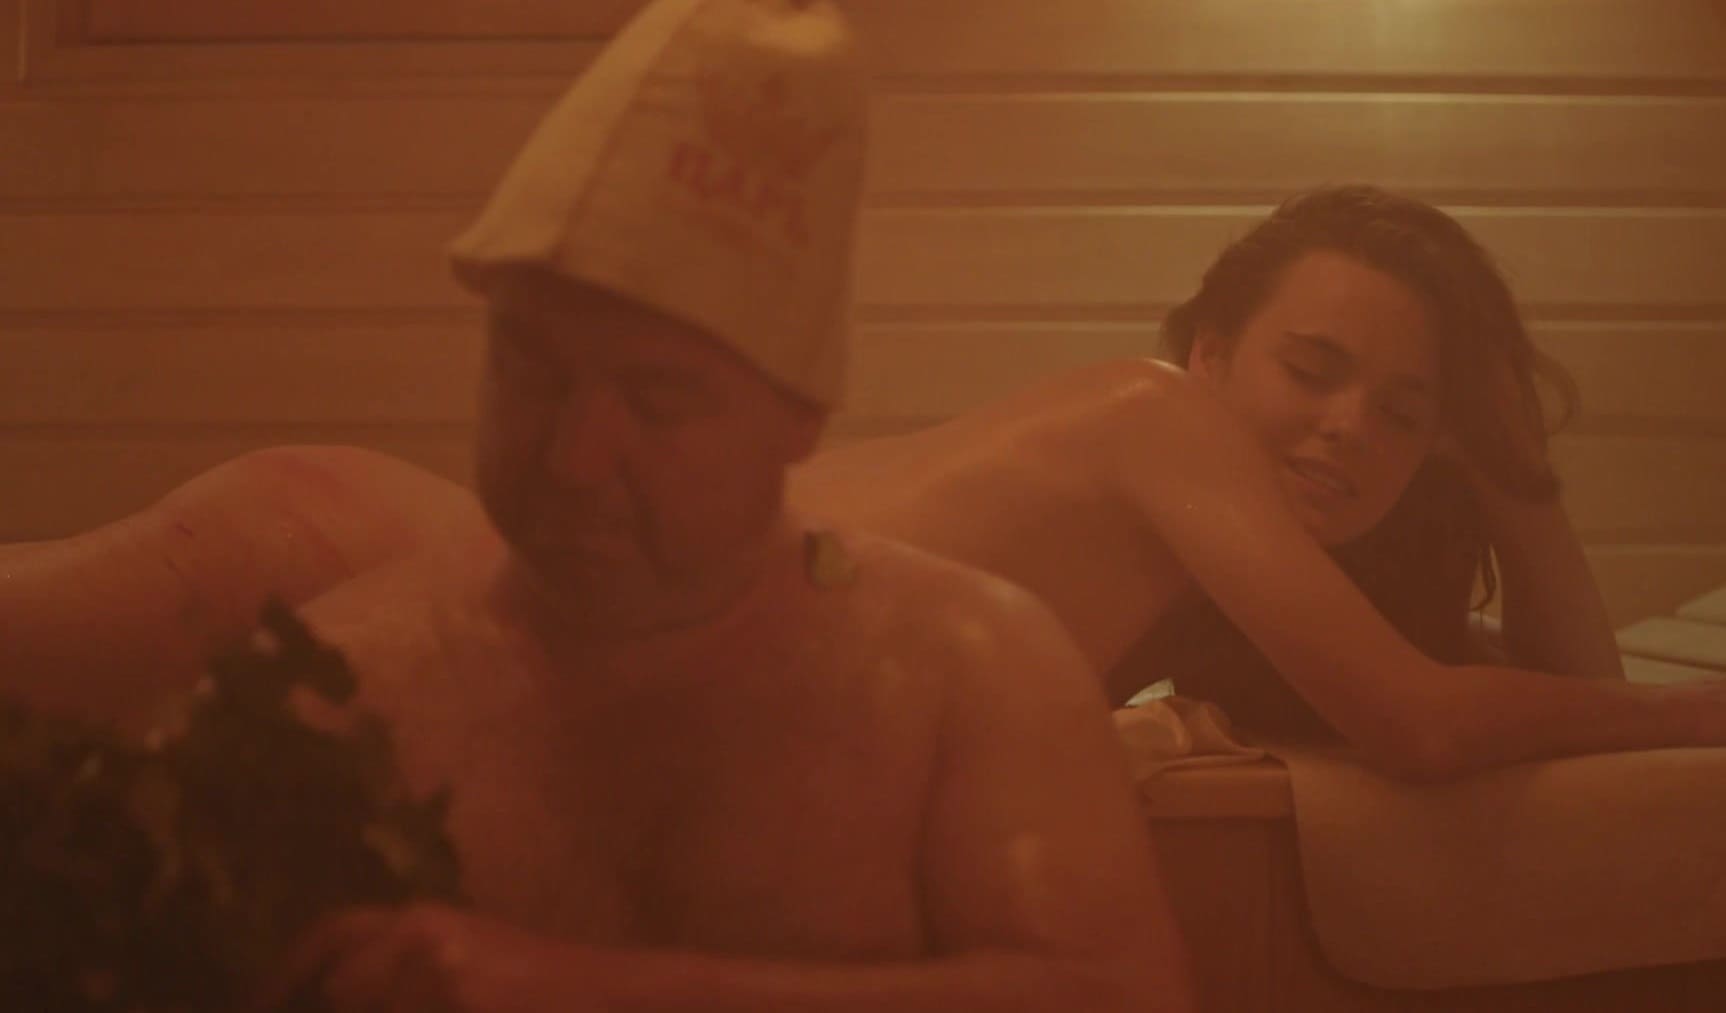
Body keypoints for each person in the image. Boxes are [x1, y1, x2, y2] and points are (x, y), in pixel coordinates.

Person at [5, 2, 1197, 1010]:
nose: (574, 456)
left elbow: (1113, 996)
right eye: (532, 368)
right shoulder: (356, 688)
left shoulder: (966, 675)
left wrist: (588, 986)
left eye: (658, 399)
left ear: (798, 419)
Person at [790, 184, 1726, 779]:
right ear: (1210, 355)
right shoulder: (1153, 413)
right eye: (1311, 370)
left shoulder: (1229, 577)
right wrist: (1699, 712)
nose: (1351, 425)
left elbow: (1574, 697)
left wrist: (1509, 464)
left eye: (1404, 414)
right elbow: (1422, 723)